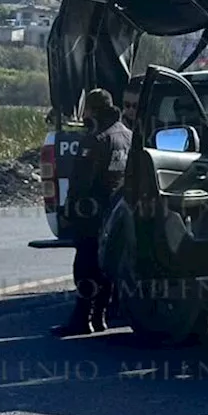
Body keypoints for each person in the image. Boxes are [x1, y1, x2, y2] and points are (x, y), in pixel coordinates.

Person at [51, 88, 133, 337]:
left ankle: (81, 319)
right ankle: (100, 316)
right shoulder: (128, 135)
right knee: (106, 266)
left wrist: (68, 209)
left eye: (86, 109)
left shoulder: (96, 139)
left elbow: (80, 183)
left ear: (92, 110)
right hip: (115, 211)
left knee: (85, 267)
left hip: (91, 212)